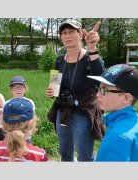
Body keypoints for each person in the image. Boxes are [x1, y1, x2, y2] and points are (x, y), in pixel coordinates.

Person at [45, 19, 105, 162]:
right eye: (64, 33)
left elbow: (101, 81)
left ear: (80, 34)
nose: (67, 35)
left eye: (72, 31)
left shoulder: (89, 58)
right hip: (62, 111)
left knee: (84, 156)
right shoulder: (59, 60)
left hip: (83, 113)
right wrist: (51, 91)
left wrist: (92, 50)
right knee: (65, 154)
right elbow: (54, 85)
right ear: (61, 38)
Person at [87, 64, 138, 161]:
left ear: (126, 98)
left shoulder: (118, 137)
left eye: (104, 90)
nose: (97, 94)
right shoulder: (136, 120)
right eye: (99, 88)